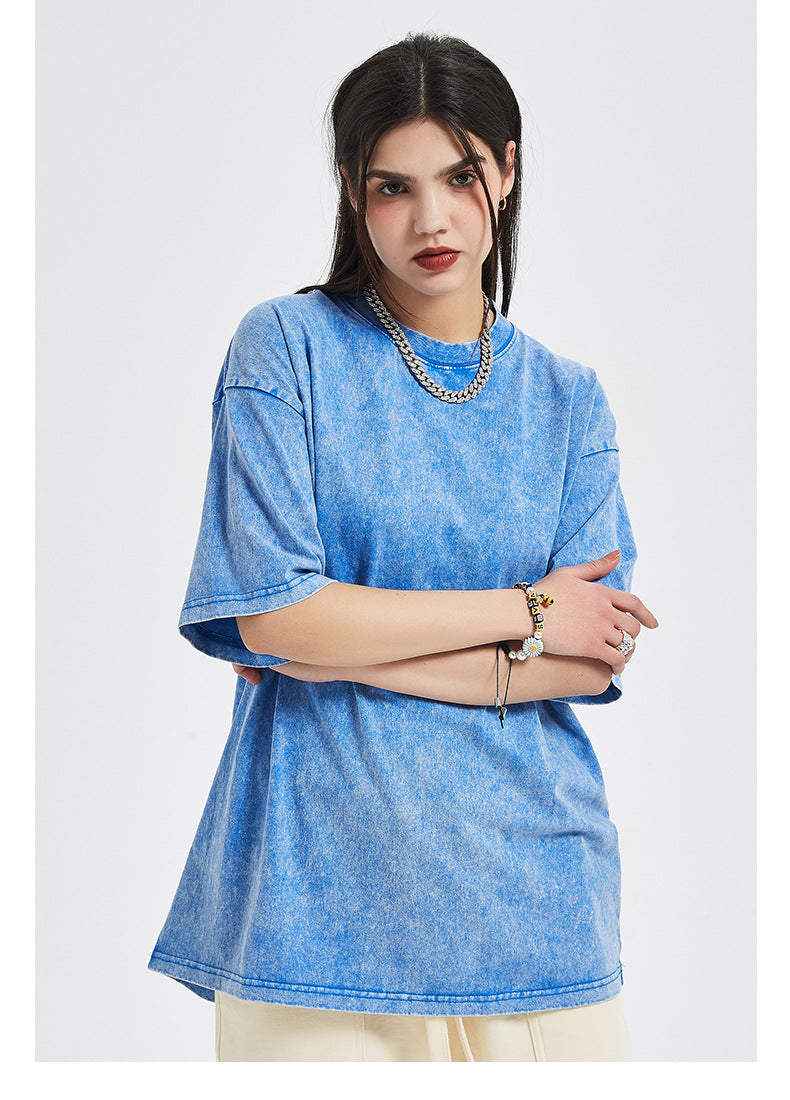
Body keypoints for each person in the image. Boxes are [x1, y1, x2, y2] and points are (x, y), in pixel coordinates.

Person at [148, 32, 658, 1062]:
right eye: (393, 186)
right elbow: (275, 617)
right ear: (352, 189)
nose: (431, 219)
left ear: (505, 172)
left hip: (537, 900)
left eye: (459, 177)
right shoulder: (286, 350)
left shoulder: (566, 400)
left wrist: (332, 643)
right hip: (313, 906)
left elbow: (592, 654)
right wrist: (526, 609)